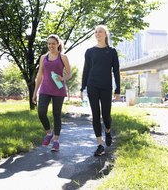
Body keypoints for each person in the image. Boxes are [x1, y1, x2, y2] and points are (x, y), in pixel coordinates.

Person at [80, 25, 121, 156]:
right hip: (92, 85)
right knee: (95, 114)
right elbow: (86, 70)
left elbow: (116, 71)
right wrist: (82, 87)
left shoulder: (112, 51)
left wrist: (118, 89)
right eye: (96, 32)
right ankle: (99, 144)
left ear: (105, 34)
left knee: (106, 115)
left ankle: (108, 131)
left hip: (106, 87)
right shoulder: (89, 51)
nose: (97, 34)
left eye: (100, 32)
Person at [33, 34, 71, 152]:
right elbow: (40, 75)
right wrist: (35, 92)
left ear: (58, 44)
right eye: (49, 44)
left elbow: (69, 74)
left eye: (53, 43)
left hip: (58, 89)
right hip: (45, 89)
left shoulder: (63, 57)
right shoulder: (43, 57)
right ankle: (49, 133)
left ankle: (56, 140)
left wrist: (62, 78)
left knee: (56, 114)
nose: (51, 46)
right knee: (41, 112)